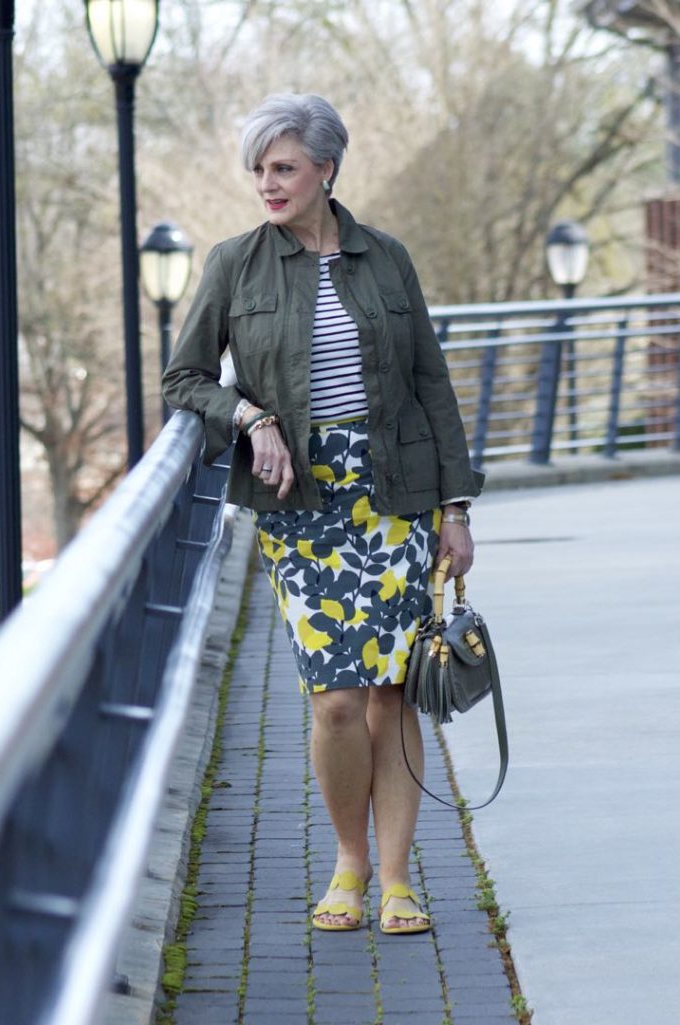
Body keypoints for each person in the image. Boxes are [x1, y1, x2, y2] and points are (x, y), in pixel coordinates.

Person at [162, 93, 483, 935]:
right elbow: (184, 379)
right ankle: (348, 858)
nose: (266, 183)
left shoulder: (388, 260)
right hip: (300, 505)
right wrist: (251, 418)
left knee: (392, 692)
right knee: (335, 699)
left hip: (396, 499)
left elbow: (430, 385)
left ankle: (396, 877)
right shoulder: (235, 264)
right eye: (259, 170)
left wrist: (456, 506)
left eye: (282, 168)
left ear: (325, 169)